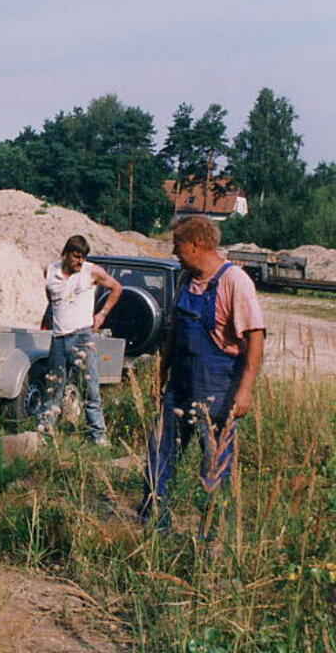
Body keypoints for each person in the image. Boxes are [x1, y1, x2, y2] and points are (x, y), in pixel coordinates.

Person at [139, 215, 265, 531]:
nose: (174, 251)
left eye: (177, 244)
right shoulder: (186, 280)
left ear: (196, 243)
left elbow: (255, 337)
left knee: (214, 464)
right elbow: (173, 333)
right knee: (160, 454)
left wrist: (245, 390)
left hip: (217, 387)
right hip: (179, 385)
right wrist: (160, 373)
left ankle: (209, 539)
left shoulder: (234, 281)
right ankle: (155, 528)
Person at [38, 235, 122, 444]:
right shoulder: (50, 271)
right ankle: (46, 435)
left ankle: (98, 437)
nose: (79, 262)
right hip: (58, 338)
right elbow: (51, 297)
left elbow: (116, 288)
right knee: (53, 389)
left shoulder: (91, 271)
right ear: (66, 254)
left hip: (82, 337)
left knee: (90, 389)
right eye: (76, 257)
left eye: (83, 258)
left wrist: (102, 313)